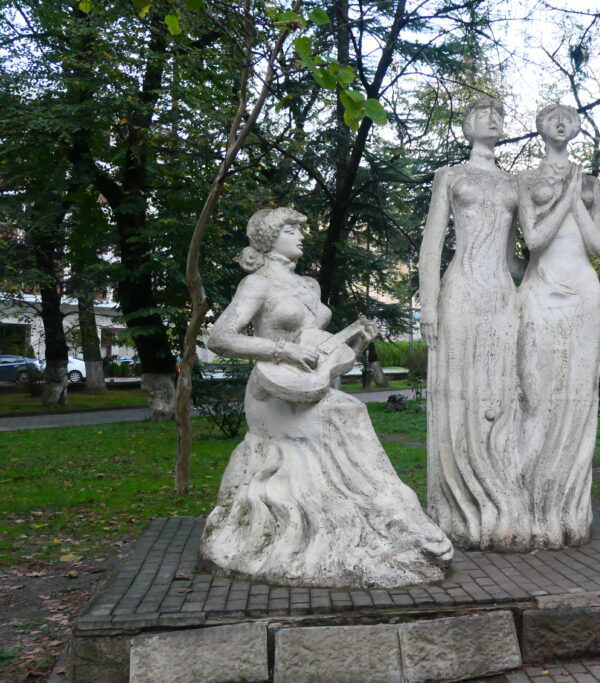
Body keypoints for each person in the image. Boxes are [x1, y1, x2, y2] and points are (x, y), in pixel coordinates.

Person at [201, 207, 452, 588]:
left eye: (300, 229)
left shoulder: (310, 285)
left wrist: (356, 341)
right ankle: (366, 516)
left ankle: (383, 514)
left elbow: (318, 348)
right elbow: (220, 338)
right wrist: (280, 351)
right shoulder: (257, 284)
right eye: (291, 229)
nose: (301, 235)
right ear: (269, 239)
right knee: (347, 410)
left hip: (308, 387)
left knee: (347, 409)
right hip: (273, 393)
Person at [418, 97, 529, 551]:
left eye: (499, 115)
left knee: (499, 390)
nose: (493, 119)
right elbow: (430, 247)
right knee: (458, 388)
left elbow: (515, 259)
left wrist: (558, 277)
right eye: (483, 114)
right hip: (460, 289)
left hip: (501, 292)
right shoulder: (451, 176)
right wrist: (428, 307)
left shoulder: (515, 183)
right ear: (466, 126)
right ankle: (454, 506)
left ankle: (498, 494)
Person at [515, 103, 600, 548]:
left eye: (567, 118)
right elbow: (533, 241)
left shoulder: (590, 183)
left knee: (577, 395)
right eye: (551, 117)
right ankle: (531, 503)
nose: (559, 123)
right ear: (539, 128)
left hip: (583, 293)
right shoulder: (527, 180)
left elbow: (599, 245)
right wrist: (567, 198)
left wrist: (578, 196)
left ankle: (570, 508)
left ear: (575, 129)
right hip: (541, 290)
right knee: (537, 395)